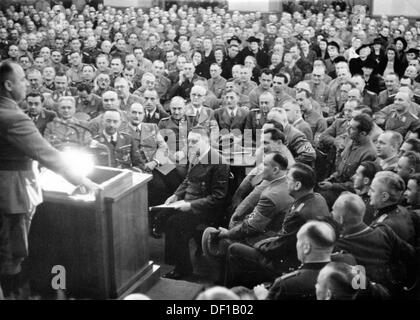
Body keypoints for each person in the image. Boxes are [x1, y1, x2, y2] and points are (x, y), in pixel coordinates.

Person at [0, 62, 99, 297]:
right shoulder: (13, 117)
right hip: (11, 194)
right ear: (8, 85)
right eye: (22, 79)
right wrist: (83, 181)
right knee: (11, 254)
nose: (26, 83)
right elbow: (48, 154)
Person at [224, 163, 330, 288]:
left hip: (288, 264)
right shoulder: (318, 198)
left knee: (234, 249)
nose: (285, 182)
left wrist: (258, 244)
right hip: (305, 255)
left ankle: (232, 293)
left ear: (297, 185)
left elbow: (279, 247)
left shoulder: (299, 213)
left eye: (288, 179)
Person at [160, 127, 230, 279]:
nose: (190, 144)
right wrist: (176, 195)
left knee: (174, 223)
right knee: (163, 215)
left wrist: (191, 205)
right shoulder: (195, 155)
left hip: (207, 208)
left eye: (194, 141)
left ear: (206, 141)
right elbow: (188, 180)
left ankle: (183, 269)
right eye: (189, 141)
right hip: (190, 201)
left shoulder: (219, 162)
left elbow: (218, 197)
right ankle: (178, 262)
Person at [332, 192, 418, 295]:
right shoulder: (384, 233)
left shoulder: (337, 247)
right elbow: (412, 255)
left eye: (333, 210)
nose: (331, 213)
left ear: (340, 219)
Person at [264, 221, 336, 300]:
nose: (297, 245)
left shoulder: (286, 285)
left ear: (306, 247)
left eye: (298, 240)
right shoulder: (345, 274)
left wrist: (261, 295)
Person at [352, 161, 382, 225]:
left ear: (366, 181)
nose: (353, 177)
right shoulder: (364, 201)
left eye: (357, 174)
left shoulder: (366, 208)